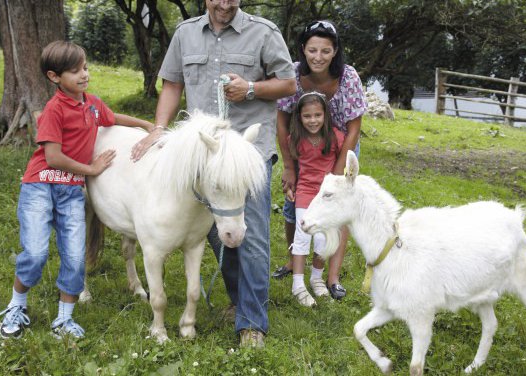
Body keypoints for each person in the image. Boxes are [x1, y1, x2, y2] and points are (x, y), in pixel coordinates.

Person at [130, 0, 296, 348]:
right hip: (202, 155)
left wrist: (251, 88)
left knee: (250, 239)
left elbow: (288, 84)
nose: (225, 3)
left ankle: (252, 324)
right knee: (219, 234)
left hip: (246, 153)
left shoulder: (264, 32)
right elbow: (172, 84)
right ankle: (238, 300)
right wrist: (159, 128)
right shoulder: (186, 33)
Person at [0, 40, 155, 339]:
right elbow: (53, 157)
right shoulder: (55, 110)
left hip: (69, 190)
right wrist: (92, 170)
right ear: (55, 77)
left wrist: (146, 124)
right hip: (41, 184)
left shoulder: (91, 104)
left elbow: (112, 117)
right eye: (75, 71)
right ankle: (16, 305)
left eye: (85, 68)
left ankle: (64, 319)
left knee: (74, 257)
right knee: (37, 251)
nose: (84, 75)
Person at [273, 20, 368, 300]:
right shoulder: (292, 74)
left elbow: (353, 129)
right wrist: (290, 167)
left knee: (338, 212)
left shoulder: (348, 77)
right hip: (302, 148)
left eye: (325, 51)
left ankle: (332, 277)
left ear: (335, 51)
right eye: (312, 50)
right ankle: (294, 261)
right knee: (295, 207)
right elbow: (281, 123)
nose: (318, 57)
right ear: (303, 49)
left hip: (341, 149)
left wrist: (336, 177)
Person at [285, 92, 344, 307]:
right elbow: (292, 166)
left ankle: (316, 278)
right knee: (302, 234)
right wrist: (291, 187)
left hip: (326, 196)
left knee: (323, 239)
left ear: (326, 115)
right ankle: (298, 284)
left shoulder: (336, 137)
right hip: (305, 192)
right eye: (307, 116)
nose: (313, 120)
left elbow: (343, 165)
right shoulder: (295, 139)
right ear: (299, 117)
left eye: (318, 115)